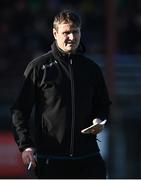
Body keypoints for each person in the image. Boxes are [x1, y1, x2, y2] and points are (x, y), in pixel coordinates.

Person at [11, 9, 111, 179]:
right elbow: (19, 110)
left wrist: (99, 120)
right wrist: (26, 145)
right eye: (66, 32)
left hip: (88, 158)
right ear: (55, 33)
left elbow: (103, 104)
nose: (72, 37)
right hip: (52, 160)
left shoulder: (92, 69)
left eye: (75, 32)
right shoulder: (38, 68)